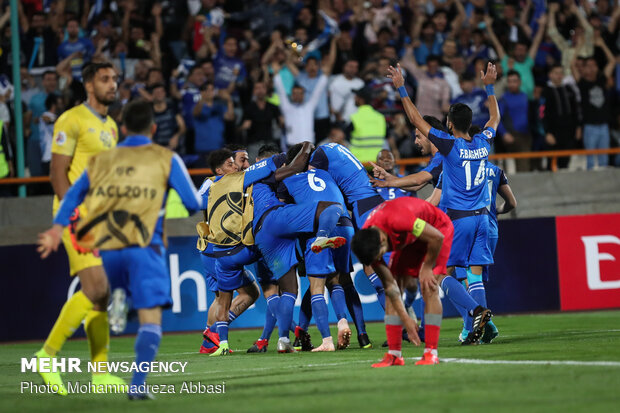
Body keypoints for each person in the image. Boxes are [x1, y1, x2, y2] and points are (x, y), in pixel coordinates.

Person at [37, 99, 203, 400]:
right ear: (153, 128)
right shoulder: (165, 157)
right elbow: (192, 204)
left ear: (123, 128)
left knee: (97, 292)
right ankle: (137, 385)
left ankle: (117, 301)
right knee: (150, 317)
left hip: (108, 249)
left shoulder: (102, 160)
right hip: (144, 248)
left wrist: (56, 228)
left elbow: (72, 195)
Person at [387, 62, 496, 345]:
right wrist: (489, 87)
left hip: (460, 219)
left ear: (448, 124)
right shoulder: (484, 143)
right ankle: (484, 329)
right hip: (484, 218)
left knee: (440, 272)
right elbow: (494, 118)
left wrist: (401, 86)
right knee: (474, 273)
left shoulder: (449, 146)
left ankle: (476, 311)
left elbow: (414, 118)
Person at [35, 62, 123, 396]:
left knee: (101, 296)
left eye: (114, 78)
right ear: (88, 84)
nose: (112, 84)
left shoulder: (111, 126)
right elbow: (58, 174)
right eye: (104, 79)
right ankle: (47, 355)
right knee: (96, 286)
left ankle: (99, 374)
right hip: (74, 216)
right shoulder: (70, 120)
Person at [352, 197, 452, 367]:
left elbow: (436, 237)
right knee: (394, 287)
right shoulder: (368, 243)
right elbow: (390, 287)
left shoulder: (398, 220)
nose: (379, 260)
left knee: (429, 286)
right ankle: (394, 355)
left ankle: (431, 353)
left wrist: (427, 267)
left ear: (383, 240)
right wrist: (406, 319)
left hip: (436, 229)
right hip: (409, 239)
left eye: (380, 255)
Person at [278, 144, 355, 351]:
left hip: (318, 228)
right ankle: (342, 321)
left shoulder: (287, 179)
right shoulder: (324, 173)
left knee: (316, 287)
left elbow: (281, 211)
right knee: (336, 279)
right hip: (345, 224)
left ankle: (327, 341)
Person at [272, 60, 328, 147]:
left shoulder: (309, 107)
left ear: (303, 95)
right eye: (295, 93)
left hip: (308, 146)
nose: (297, 95)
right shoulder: (287, 107)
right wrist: (276, 74)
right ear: (292, 95)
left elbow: (318, 91)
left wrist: (324, 75)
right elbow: (281, 91)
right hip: (291, 146)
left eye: (300, 93)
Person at [541, 65, 581, 169]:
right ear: (550, 75)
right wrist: (547, 132)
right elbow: (541, 114)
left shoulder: (568, 89)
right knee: (551, 163)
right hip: (553, 133)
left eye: (561, 73)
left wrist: (578, 127)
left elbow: (575, 111)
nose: (559, 76)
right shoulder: (545, 92)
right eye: (556, 73)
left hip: (569, 133)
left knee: (566, 163)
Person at [498, 71, 532, 172]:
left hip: (526, 135)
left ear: (520, 82)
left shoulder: (525, 97)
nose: (512, 84)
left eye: (514, 81)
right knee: (518, 168)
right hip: (512, 135)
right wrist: (504, 134)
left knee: (526, 167)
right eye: (509, 81)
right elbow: (497, 118)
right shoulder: (504, 99)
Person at [348, 86, 388, 163]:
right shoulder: (380, 117)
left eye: (356, 97)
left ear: (361, 100)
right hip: (377, 163)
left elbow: (345, 138)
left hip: (360, 163)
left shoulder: (355, 118)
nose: (354, 98)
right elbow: (387, 138)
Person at [151, 84, 186, 151]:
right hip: (157, 149)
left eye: (161, 92)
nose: (159, 94)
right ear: (152, 95)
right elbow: (147, 133)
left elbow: (183, 127)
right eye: (157, 92)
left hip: (175, 147)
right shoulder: (149, 112)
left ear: (165, 93)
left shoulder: (172, 107)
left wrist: (176, 137)